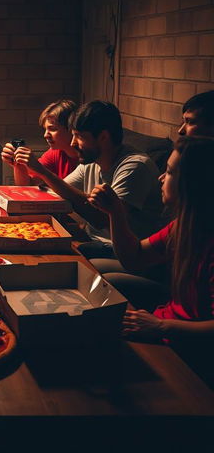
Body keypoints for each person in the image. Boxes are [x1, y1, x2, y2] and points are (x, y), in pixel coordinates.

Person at [88, 137, 214, 386]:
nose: (160, 178)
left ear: (192, 183)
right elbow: (134, 258)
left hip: (186, 342)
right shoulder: (183, 227)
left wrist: (162, 327)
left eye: (168, 172)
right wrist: (116, 212)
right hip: (166, 323)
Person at [3, 100, 164, 259]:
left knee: (49, 259)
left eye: (78, 136)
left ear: (103, 137)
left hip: (122, 251)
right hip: (93, 240)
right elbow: (58, 192)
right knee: (24, 241)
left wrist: (43, 172)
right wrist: (21, 166)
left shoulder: (135, 166)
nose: (73, 143)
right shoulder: (91, 161)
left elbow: (102, 219)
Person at [2, 99, 79, 185]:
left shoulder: (87, 158)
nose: (45, 135)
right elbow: (28, 185)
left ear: (71, 129)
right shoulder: (55, 153)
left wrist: (36, 166)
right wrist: (18, 164)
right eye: (45, 129)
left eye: (52, 129)